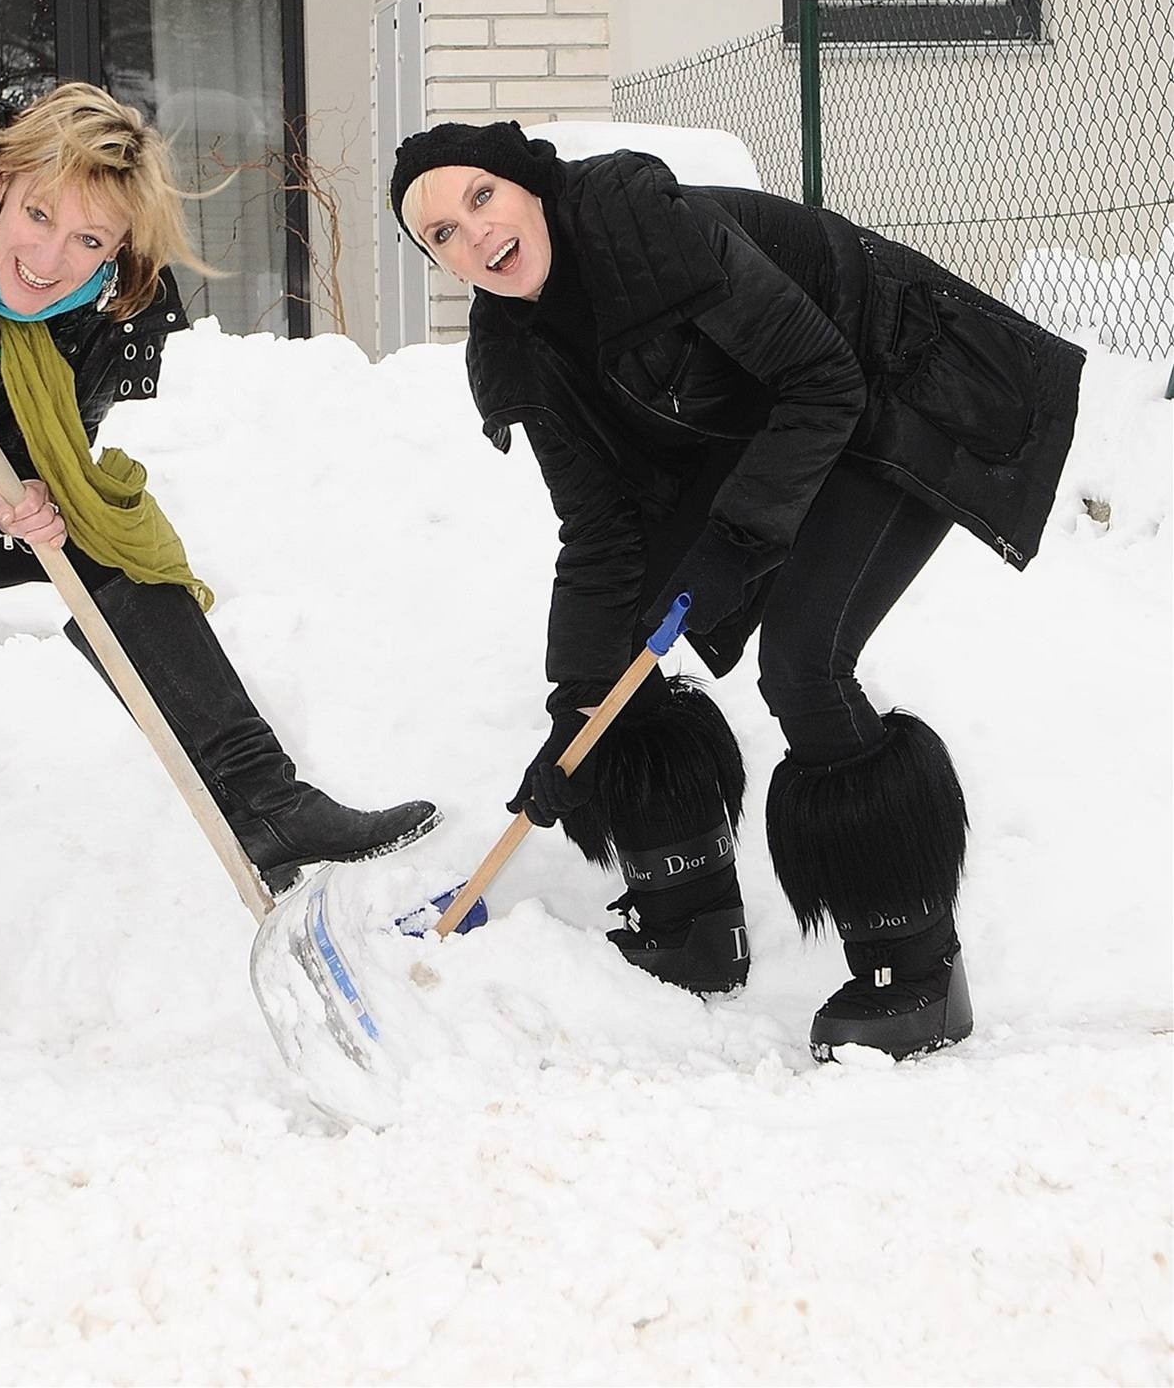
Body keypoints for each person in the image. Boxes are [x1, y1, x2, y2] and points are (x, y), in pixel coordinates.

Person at [389, 120, 1084, 1062]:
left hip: (890, 376)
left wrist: (737, 539)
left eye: (480, 198)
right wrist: (576, 704)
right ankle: (690, 925)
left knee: (804, 661)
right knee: (620, 654)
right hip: (768, 425)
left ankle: (916, 968)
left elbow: (820, 379)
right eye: (441, 234)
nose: (475, 236)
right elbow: (600, 532)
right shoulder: (520, 352)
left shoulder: (639, 223)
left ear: (525, 186)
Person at [0, 86, 439, 1121]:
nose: (50, 257)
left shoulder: (99, 326)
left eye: (89, 238)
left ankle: (266, 801)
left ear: (118, 250)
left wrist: (35, 503)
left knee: (104, 531)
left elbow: (49, 456)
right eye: (40, 215)